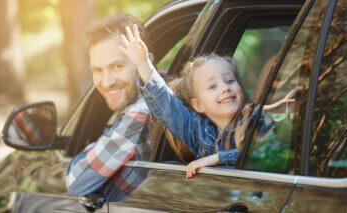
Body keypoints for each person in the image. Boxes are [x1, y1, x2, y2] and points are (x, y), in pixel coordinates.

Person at [119, 25, 292, 178]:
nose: (225, 88)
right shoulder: (197, 132)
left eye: (230, 80)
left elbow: (271, 156)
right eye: (212, 86)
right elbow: (166, 104)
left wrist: (216, 159)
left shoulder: (256, 120)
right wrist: (143, 64)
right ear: (197, 105)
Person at [66, 14, 153, 197]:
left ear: (146, 61)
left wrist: (93, 148)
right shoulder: (166, 81)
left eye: (117, 67)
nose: (106, 82)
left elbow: (76, 181)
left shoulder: (141, 110)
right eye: (97, 70)